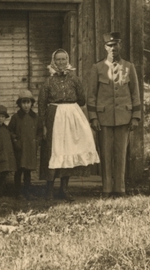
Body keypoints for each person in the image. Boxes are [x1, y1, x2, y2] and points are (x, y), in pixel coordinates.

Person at [86, 32, 142, 197]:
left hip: (124, 118)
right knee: (106, 154)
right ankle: (107, 190)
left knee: (121, 155)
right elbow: (91, 95)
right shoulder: (97, 68)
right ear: (105, 48)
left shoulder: (129, 67)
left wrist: (135, 117)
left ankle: (120, 190)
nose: (113, 48)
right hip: (103, 119)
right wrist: (94, 118)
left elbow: (135, 94)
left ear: (120, 46)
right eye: (109, 46)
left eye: (115, 45)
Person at [39, 48, 97, 201]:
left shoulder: (74, 79)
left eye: (64, 59)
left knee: (69, 150)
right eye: (58, 59)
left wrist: (71, 111)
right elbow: (41, 105)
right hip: (54, 117)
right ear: (53, 61)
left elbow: (82, 99)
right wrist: (44, 125)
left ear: (67, 60)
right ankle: (49, 190)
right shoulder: (48, 82)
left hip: (71, 118)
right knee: (54, 151)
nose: (61, 62)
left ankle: (63, 190)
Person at [9, 89, 41, 199]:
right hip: (20, 148)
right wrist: (15, 141)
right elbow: (10, 131)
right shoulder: (16, 117)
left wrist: (37, 141)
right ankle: (18, 193)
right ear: (19, 104)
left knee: (28, 172)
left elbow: (40, 132)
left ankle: (27, 192)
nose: (26, 105)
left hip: (31, 148)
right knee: (19, 171)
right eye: (23, 103)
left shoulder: (36, 117)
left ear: (32, 103)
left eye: (28, 102)